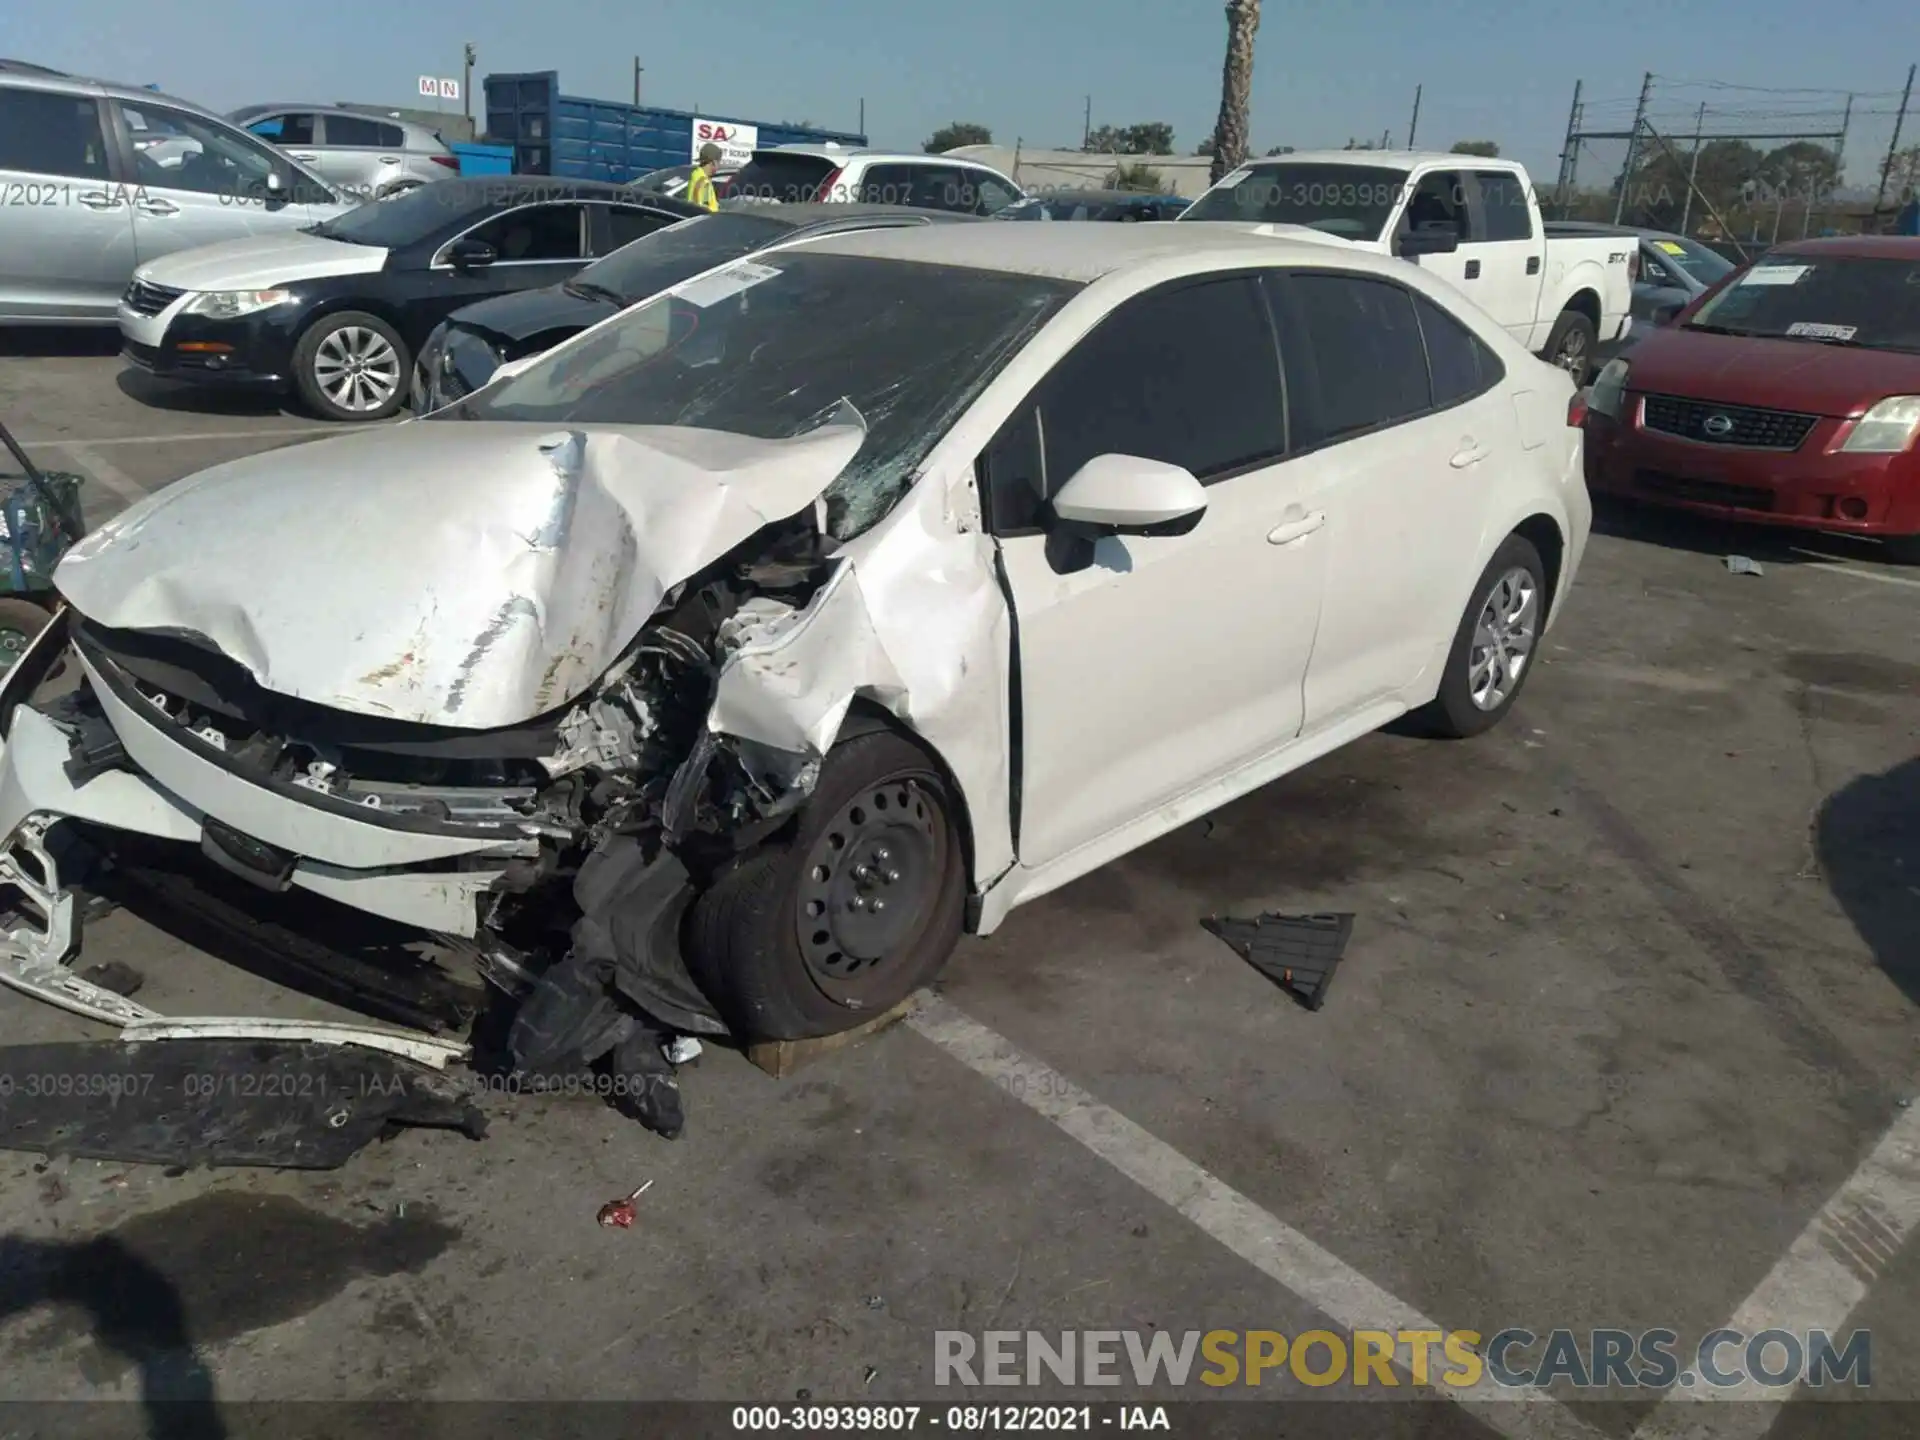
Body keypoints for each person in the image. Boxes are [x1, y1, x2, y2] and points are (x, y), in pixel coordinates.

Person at [687, 142, 723, 212]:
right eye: (719, 162)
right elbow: (701, 209)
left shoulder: (698, 175)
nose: (720, 165)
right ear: (713, 162)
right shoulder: (703, 181)